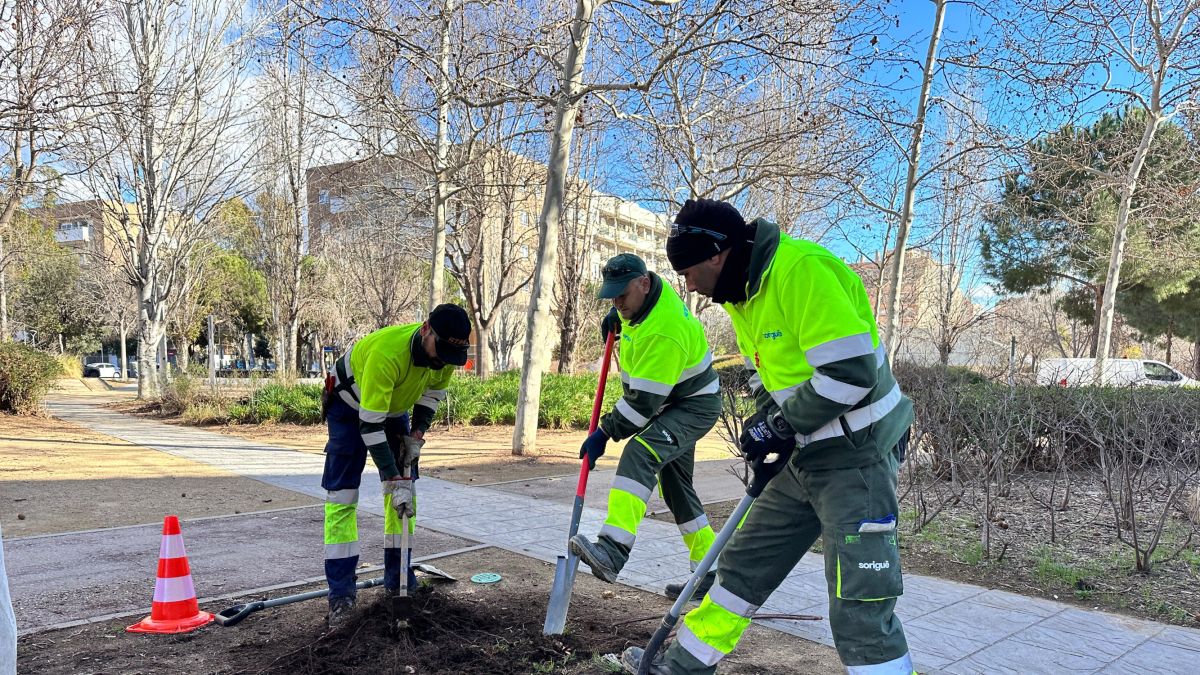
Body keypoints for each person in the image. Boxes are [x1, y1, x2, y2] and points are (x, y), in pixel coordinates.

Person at [623, 199, 915, 675]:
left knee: (859, 608)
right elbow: (769, 379)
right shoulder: (742, 296)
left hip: (857, 460)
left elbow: (851, 371)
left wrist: (781, 425)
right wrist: (769, 425)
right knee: (740, 570)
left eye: (689, 270)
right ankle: (680, 667)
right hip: (804, 458)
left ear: (718, 253)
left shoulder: (801, 271)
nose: (687, 284)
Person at [569, 253, 723, 597]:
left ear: (644, 283)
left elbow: (641, 405)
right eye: (612, 297)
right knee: (677, 487)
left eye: (622, 296)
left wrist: (604, 432)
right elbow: (635, 330)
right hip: (672, 403)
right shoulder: (644, 302)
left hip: (692, 405)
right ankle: (709, 571)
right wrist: (620, 320)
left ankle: (613, 549)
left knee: (640, 453)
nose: (617, 303)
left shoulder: (665, 330)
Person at [320, 303, 471, 629]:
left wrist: (415, 437)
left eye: (450, 356)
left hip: (394, 409)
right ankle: (341, 597)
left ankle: (398, 578)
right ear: (425, 329)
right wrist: (392, 477)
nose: (443, 360)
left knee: (405, 495)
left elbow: (430, 397)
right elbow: (370, 426)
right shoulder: (388, 354)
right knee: (342, 496)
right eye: (440, 350)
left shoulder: (446, 354)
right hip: (349, 408)